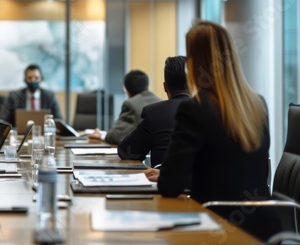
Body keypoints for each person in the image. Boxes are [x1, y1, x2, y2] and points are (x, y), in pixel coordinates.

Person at [145, 21, 270, 204]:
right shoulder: (258, 105)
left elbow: (170, 186)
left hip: (214, 221)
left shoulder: (194, 109)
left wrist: (168, 176)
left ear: (196, 64)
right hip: (260, 225)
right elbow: (231, 173)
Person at [118, 56, 190, 167]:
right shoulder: (213, 112)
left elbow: (125, 152)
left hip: (165, 183)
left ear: (165, 87)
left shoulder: (155, 113)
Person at [90, 70, 161, 144]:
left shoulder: (131, 104)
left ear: (126, 90)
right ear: (147, 86)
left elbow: (113, 136)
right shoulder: (161, 102)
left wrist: (100, 136)